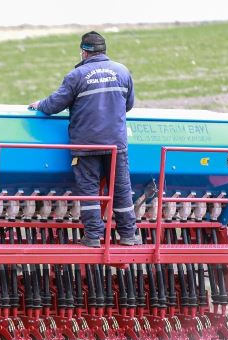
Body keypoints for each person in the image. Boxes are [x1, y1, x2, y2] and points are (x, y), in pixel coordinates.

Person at [29, 31, 139, 247]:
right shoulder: (122, 71)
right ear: (103, 51)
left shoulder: (77, 76)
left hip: (86, 145)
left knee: (89, 191)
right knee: (121, 189)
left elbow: (54, 105)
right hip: (116, 144)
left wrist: (39, 104)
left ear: (84, 52)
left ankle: (93, 237)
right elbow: (129, 105)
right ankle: (128, 235)